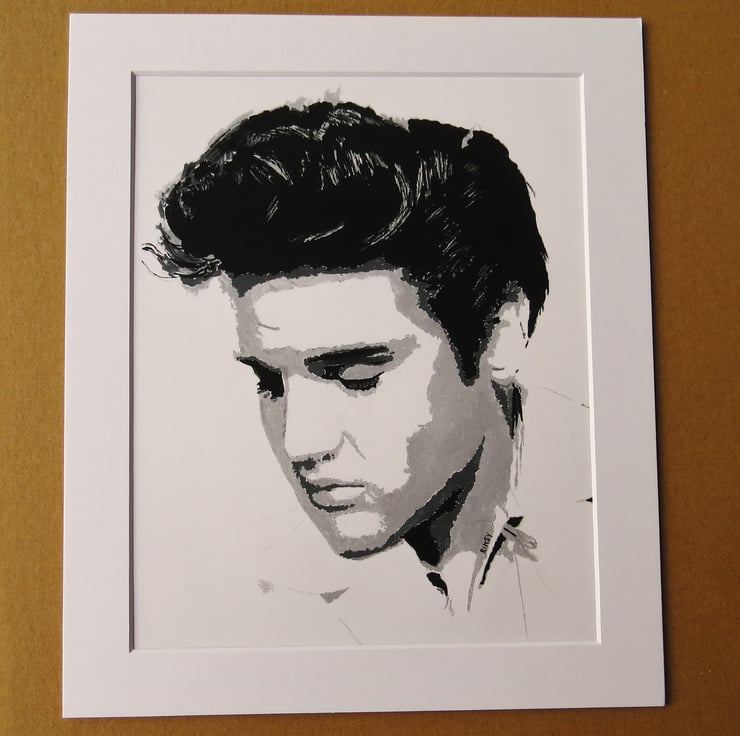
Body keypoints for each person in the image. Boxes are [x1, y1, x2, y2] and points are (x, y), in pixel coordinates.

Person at [147, 100, 595, 644]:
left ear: (501, 334)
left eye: (356, 375)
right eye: (270, 382)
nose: (300, 443)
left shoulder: (625, 532)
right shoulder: (256, 603)